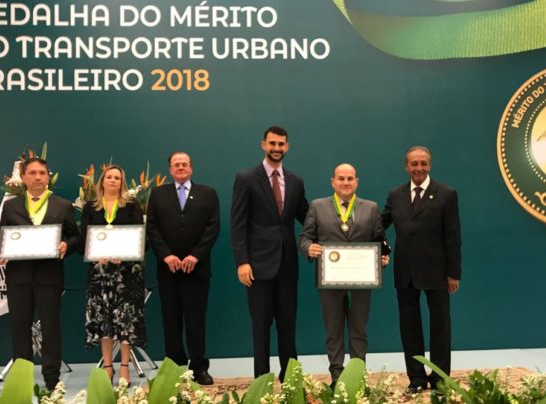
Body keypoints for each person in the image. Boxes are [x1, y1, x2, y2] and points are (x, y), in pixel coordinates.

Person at [381, 146, 462, 394]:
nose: (419, 168)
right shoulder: (395, 195)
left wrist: (453, 273)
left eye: (423, 163)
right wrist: (382, 248)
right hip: (405, 273)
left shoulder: (447, 194)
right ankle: (416, 378)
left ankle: (439, 379)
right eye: (414, 164)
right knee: (409, 328)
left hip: (437, 273)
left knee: (440, 328)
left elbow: (453, 236)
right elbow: (378, 226)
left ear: (430, 165)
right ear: (406, 166)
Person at [0, 157, 80, 391]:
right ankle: (22, 377)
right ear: (23, 177)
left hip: (49, 275)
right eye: (32, 173)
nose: (38, 177)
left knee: (50, 327)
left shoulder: (62, 205)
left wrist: (66, 246)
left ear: (48, 176)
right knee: (20, 326)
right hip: (18, 276)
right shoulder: (11, 206)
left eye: (42, 173)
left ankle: (52, 378)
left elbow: (75, 237)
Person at [230, 125, 309, 382]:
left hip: (287, 265)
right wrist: (242, 262)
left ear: (287, 147)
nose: (277, 148)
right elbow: (238, 224)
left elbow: (307, 218)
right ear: (263, 145)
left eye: (281, 144)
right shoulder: (245, 178)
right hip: (257, 266)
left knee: (288, 326)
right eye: (272, 143)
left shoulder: (296, 181)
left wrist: (340, 232)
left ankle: (290, 381)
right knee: (260, 328)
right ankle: (261, 382)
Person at [298, 163, 388, 387]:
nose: (345, 182)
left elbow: (380, 239)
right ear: (333, 181)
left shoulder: (371, 207)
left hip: (362, 277)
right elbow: (305, 237)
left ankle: (357, 376)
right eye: (341, 178)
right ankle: (337, 377)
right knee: (333, 330)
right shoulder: (318, 206)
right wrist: (309, 248)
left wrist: (383, 257)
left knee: (359, 329)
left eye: (350, 178)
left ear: (357, 181)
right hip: (329, 279)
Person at [146, 152, 219, 385]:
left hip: (196, 271)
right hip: (168, 270)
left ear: (191, 168)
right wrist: (166, 255)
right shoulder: (158, 194)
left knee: (196, 320)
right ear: (169, 169)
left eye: (184, 164)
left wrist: (195, 256)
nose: (180, 167)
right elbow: (153, 228)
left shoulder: (208, 194)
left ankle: (199, 368)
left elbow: (212, 228)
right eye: (176, 165)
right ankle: (175, 368)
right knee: (171, 320)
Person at [80, 165, 146, 385]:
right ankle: (108, 366)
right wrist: (95, 255)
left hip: (126, 274)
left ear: (122, 182)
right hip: (100, 274)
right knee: (104, 321)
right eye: (109, 177)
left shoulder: (131, 206)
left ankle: (125, 367)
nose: (113, 180)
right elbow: (84, 241)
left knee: (125, 321)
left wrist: (125, 255)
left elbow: (141, 239)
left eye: (117, 177)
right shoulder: (91, 207)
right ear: (102, 181)